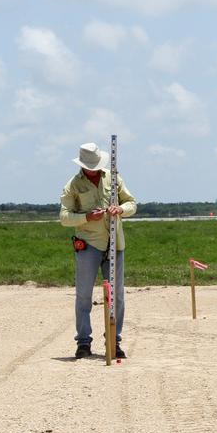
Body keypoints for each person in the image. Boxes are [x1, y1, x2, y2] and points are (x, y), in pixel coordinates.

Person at [60, 142, 138, 359]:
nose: (93, 170)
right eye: (89, 166)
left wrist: (120, 209)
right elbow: (64, 217)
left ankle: (114, 340)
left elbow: (132, 203)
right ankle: (83, 342)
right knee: (84, 295)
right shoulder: (73, 185)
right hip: (88, 245)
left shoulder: (113, 178)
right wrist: (86, 217)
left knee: (117, 296)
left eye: (95, 166)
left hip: (116, 244)